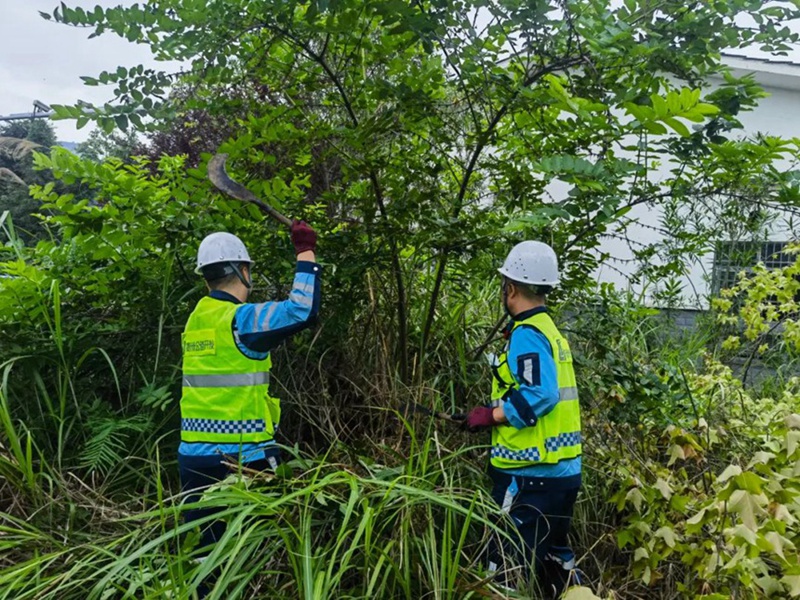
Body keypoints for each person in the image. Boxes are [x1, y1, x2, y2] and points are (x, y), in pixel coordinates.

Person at [178, 220, 320, 556]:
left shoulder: (197, 319)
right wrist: (306, 252)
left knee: (205, 554)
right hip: (243, 459)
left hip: (193, 459)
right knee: (257, 554)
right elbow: (302, 311)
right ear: (244, 270)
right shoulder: (240, 320)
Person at [464, 241, 582, 598]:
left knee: (504, 570)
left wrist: (492, 415)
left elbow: (541, 394)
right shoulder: (550, 330)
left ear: (510, 288)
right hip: (563, 473)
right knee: (554, 563)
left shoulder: (527, 335)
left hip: (529, 476)